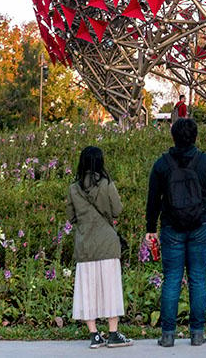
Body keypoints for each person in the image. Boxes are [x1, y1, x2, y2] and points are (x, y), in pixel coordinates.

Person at [144, 118, 206, 348]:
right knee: (198, 278)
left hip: (171, 227)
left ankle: (168, 335)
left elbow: (153, 199)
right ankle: (197, 334)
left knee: (171, 280)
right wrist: (204, 211)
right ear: (196, 136)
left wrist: (151, 228)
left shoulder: (162, 164)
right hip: (200, 226)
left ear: (173, 136)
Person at [67, 146, 133, 348]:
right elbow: (117, 210)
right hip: (107, 243)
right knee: (110, 288)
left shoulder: (73, 188)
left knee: (88, 289)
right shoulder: (106, 184)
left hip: (85, 244)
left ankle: (94, 335)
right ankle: (113, 333)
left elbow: (71, 217)